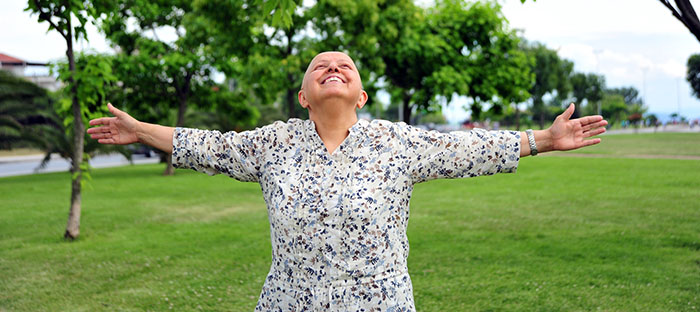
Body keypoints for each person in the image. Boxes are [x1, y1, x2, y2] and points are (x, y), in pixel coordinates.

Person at [88, 51, 607, 311]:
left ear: (360, 95)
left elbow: (466, 148)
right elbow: (208, 145)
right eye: (321, 66)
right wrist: (139, 130)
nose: (333, 68)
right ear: (303, 95)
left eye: (346, 67)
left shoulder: (395, 142)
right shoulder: (273, 145)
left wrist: (542, 139)